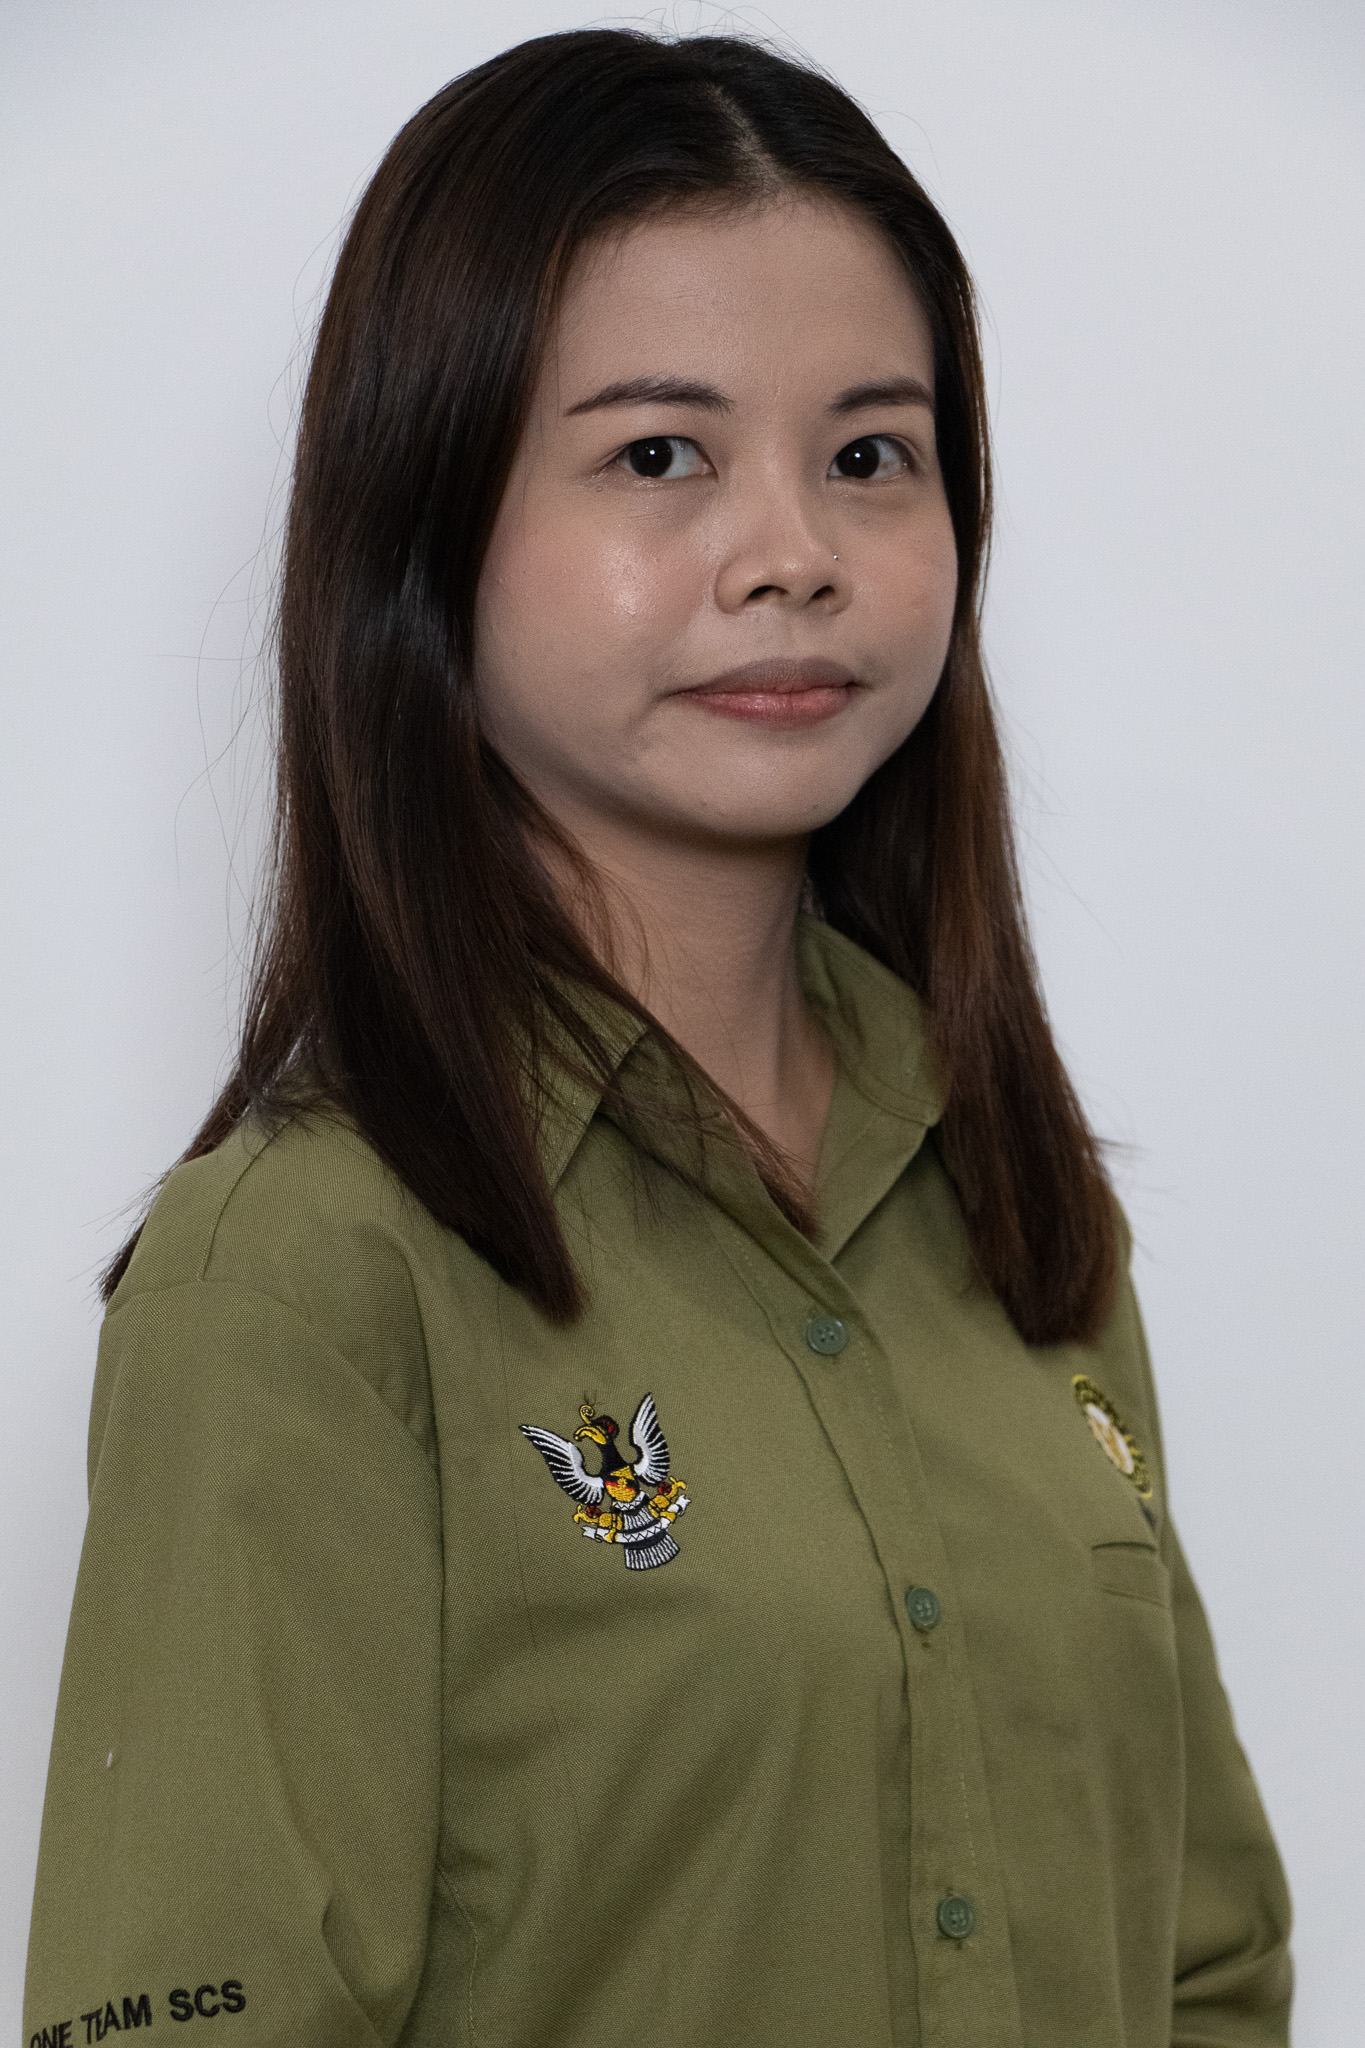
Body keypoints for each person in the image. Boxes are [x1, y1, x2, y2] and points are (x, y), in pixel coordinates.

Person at [24, 28, 1291, 2048]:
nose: (792, 550)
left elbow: (1204, 1969)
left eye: (866, 455)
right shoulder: (306, 1274)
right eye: (657, 457)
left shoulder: (1021, 1214)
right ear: (430, 522)